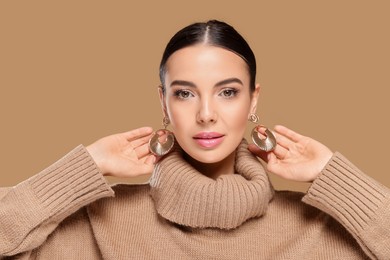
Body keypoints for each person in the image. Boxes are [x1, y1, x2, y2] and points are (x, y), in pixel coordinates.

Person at [0, 20, 389, 259]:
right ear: (164, 103)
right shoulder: (99, 223)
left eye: (228, 92)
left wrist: (333, 176)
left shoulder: (319, 228)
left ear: (253, 99)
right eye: (185, 93)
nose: (206, 113)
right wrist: (85, 167)